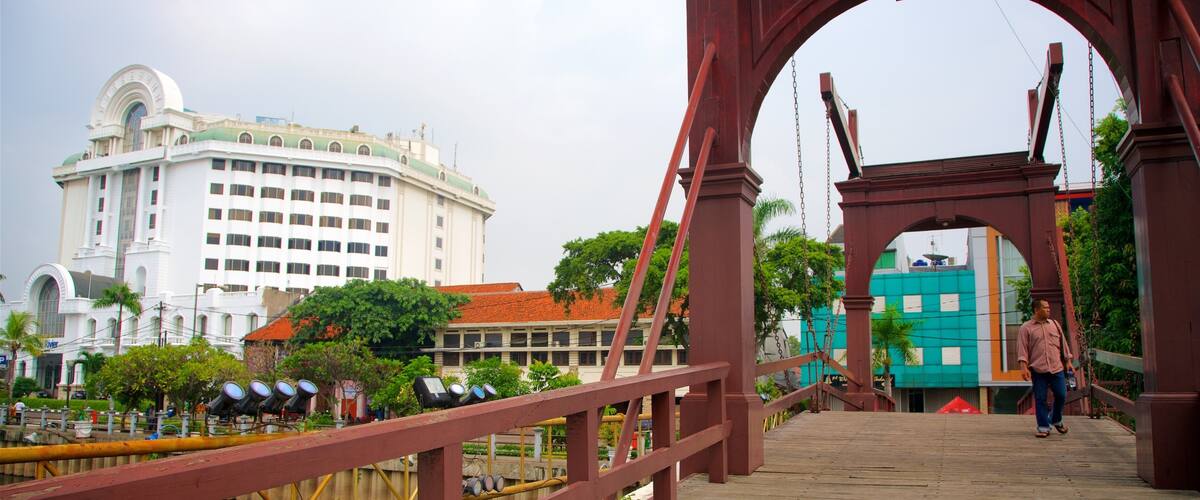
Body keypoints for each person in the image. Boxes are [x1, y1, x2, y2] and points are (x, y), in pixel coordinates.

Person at [1018, 298, 1073, 438]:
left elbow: (1063, 343)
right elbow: (1022, 349)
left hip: (1056, 367)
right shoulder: (1026, 328)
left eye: (1049, 307)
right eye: (1045, 307)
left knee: (1061, 394)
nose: (1048, 309)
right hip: (1038, 370)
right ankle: (1043, 427)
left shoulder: (1055, 324)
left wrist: (1068, 361)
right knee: (1040, 398)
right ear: (1036, 310)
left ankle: (1055, 419)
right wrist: (1023, 367)